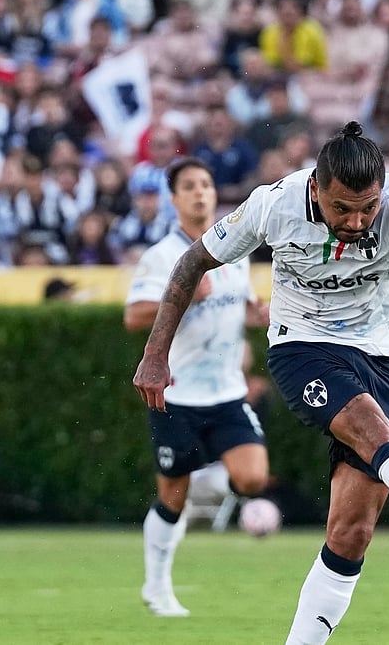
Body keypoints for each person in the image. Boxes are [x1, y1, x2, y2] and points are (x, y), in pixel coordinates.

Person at [131, 122, 389, 642]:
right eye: (341, 209)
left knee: (352, 532)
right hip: (303, 346)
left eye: (366, 208)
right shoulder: (274, 204)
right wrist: (156, 355)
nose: (356, 221)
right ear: (316, 188)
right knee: (376, 435)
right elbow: (192, 261)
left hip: (383, 356)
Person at [124, 158, 272, 617]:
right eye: (188, 186)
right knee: (173, 498)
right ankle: (157, 586)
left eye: (205, 184)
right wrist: (186, 296)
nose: (200, 193)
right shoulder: (162, 256)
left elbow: (239, 306)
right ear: (174, 199)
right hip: (177, 395)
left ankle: (210, 467)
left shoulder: (236, 250)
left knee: (253, 476)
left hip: (226, 392)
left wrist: (258, 314)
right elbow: (133, 316)